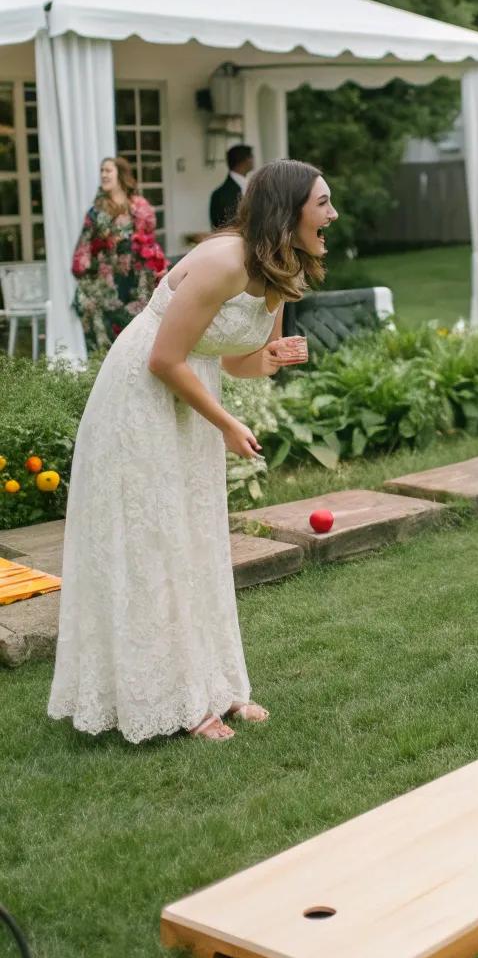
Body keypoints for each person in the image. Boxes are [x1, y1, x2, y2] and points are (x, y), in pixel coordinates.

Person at [49, 159, 336, 743]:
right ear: (289, 210)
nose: (332, 214)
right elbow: (162, 358)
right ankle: (178, 701)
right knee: (155, 542)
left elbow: (235, 358)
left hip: (192, 388)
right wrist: (228, 422)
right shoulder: (222, 260)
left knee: (196, 537)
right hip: (142, 397)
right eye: (323, 203)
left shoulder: (282, 269)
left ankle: (220, 687)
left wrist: (272, 358)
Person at [71, 155, 168, 353]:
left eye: (108, 170)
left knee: (136, 342)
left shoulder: (140, 208)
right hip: (106, 282)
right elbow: (83, 247)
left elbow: (149, 245)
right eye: (101, 171)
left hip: (135, 281)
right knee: (101, 333)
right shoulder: (96, 211)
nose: (103, 175)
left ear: (120, 175)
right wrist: (85, 269)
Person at [209, 143, 255, 230]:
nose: (253, 160)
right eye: (251, 157)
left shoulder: (254, 186)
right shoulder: (220, 194)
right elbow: (219, 227)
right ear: (245, 160)